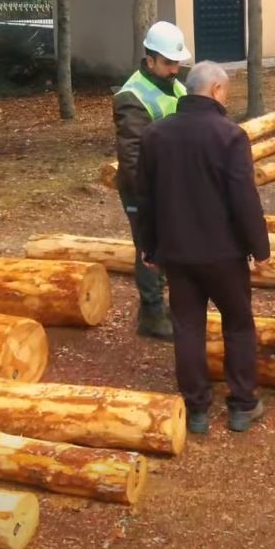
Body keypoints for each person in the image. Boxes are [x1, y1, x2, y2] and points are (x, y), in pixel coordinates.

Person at [137, 61, 270, 434]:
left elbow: (144, 198)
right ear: (215, 90)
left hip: (177, 254)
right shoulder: (229, 135)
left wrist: (148, 247)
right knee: (239, 326)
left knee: (188, 328)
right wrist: (259, 247)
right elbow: (244, 197)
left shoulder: (155, 135)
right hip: (224, 254)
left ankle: (196, 410)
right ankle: (243, 405)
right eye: (225, 91)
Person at [113, 21, 191, 340]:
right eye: (169, 63)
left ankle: (168, 306)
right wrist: (148, 201)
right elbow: (132, 159)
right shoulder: (131, 97)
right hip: (143, 190)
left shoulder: (175, 86)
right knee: (148, 247)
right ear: (150, 60)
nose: (175, 69)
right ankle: (152, 312)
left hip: (170, 185)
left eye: (177, 62)